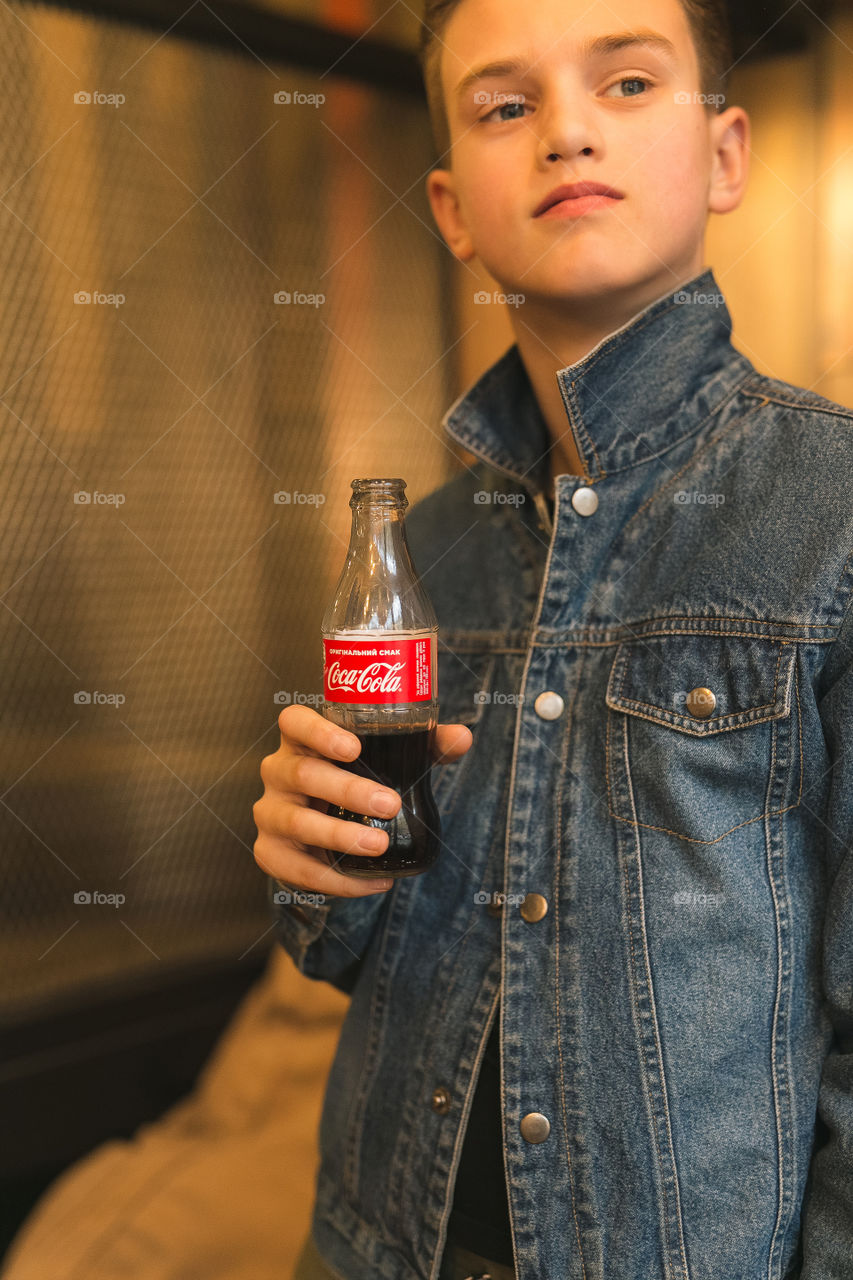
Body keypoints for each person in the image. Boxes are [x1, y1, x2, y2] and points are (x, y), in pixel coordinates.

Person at [252, 0, 853, 1276]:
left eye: (626, 84)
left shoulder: (831, 511)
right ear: (451, 207)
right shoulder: (427, 550)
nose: (566, 132)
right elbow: (348, 952)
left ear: (726, 152)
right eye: (505, 106)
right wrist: (316, 868)